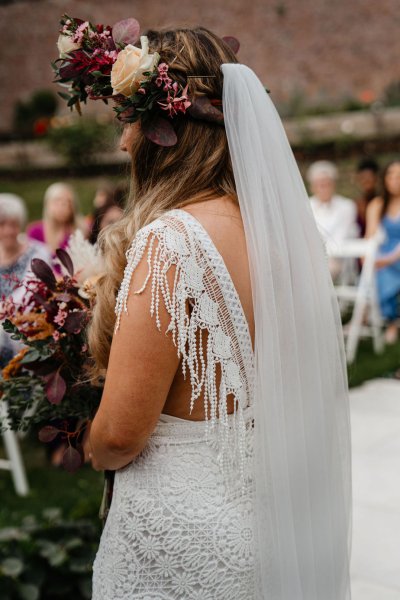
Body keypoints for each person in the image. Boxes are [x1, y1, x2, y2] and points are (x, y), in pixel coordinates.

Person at [61, 26, 352, 599]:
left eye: (127, 120)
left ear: (161, 127)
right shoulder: (291, 240)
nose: (123, 143)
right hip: (270, 527)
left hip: (181, 549)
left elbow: (120, 435)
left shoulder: (172, 243)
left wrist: (85, 440)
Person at [0, 194, 50, 366]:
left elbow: (30, 293)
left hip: (28, 336)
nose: (8, 230)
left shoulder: (38, 252)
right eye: (2, 224)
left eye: (13, 224)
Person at [365, 160, 400, 343]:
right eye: (391, 175)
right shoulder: (377, 204)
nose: (395, 179)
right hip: (384, 252)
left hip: (397, 254)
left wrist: (388, 259)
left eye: (399, 175)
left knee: (385, 270)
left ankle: (391, 321)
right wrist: (368, 259)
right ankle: (389, 318)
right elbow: (370, 236)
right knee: (376, 270)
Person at [307, 160, 358, 278]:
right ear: (312, 187)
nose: (324, 188)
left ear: (334, 184)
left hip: (338, 258)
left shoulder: (347, 206)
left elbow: (342, 235)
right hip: (311, 257)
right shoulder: (305, 206)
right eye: (320, 184)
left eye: (327, 183)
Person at [26, 182, 83, 255]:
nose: (63, 207)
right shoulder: (35, 231)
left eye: (68, 202)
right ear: (47, 204)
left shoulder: (79, 231)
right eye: (57, 201)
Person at [355, 158, 380, 236]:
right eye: (363, 178)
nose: (366, 181)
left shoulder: (383, 202)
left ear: (376, 178)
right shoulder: (355, 205)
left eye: (369, 177)